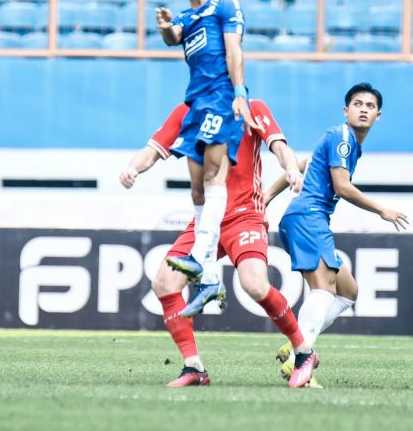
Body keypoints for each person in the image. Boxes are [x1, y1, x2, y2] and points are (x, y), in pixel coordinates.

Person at [119, 98, 304, 387]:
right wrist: (132, 168)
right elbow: (153, 150)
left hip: (245, 214)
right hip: (206, 220)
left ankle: (303, 350)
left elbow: (279, 146)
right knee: (164, 283)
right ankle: (194, 367)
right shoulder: (187, 111)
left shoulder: (252, 107)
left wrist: (291, 167)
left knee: (254, 285)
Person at [264, 82, 410, 388]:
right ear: (346, 110)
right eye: (357, 104)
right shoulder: (342, 136)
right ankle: (301, 360)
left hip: (303, 218)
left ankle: (296, 345)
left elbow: (300, 166)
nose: (363, 109)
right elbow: (342, 187)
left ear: (378, 115)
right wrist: (382, 210)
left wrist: (266, 198)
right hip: (308, 217)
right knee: (324, 289)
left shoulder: (345, 142)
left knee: (348, 292)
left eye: (370, 106)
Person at [155, 0, 269, 313]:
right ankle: (208, 278)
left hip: (221, 95)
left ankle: (200, 258)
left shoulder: (224, 4)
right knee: (197, 187)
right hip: (196, 102)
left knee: (212, 174)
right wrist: (164, 26)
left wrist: (239, 93)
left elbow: (235, 50)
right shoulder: (187, 19)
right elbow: (174, 38)